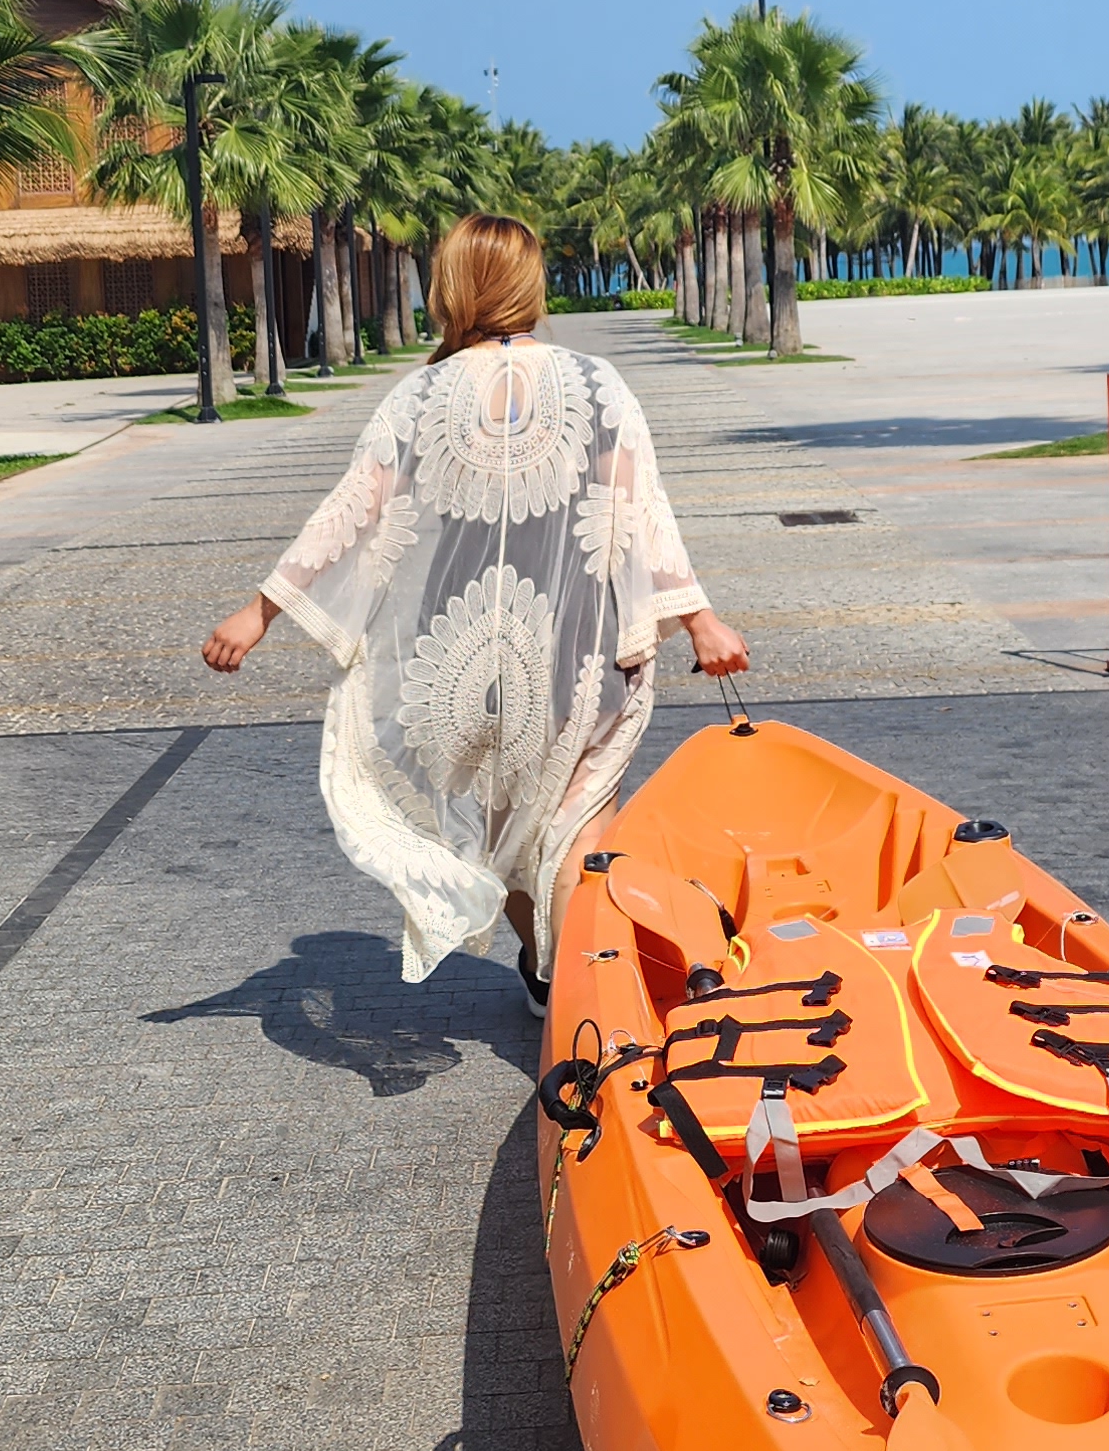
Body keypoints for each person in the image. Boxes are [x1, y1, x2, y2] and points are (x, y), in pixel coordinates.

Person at [204, 213, 747, 995]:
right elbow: (642, 512)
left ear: (450, 286)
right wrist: (699, 619)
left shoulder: (418, 395)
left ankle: (548, 972)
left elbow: (351, 509)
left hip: (451, 657)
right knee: (574, 832)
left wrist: (259, 611)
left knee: (505, 832)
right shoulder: (597, 386)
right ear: (529, 286)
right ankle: (581, 1005)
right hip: (576, 652)